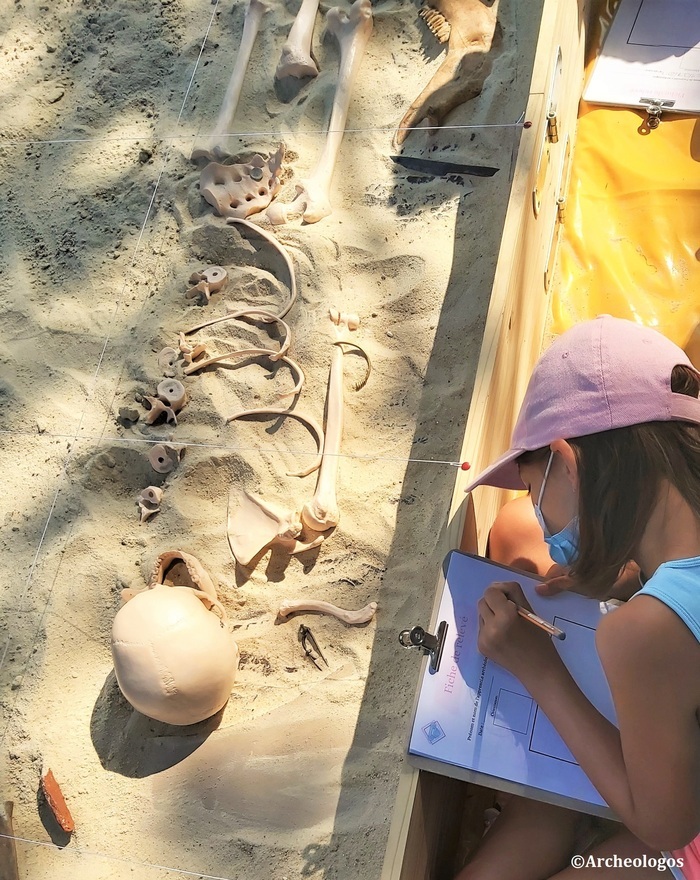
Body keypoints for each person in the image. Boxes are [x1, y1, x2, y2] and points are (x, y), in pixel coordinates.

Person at [456, 315, 700, 880]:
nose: (543, 527)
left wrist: (538, 668)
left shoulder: (646, 631)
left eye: (534, 492)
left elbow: (666, 827)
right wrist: (631, 577)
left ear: (568, 461)